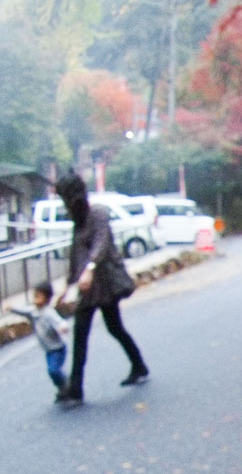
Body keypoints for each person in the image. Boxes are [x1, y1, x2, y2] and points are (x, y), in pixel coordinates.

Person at [55, 174, 148, 406]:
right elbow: (76, 254)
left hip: (104, 284)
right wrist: (67, 285)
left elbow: (101, 243)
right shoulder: (77, 220)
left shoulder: (98, 213)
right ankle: (76, 388)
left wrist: (91, 267)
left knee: (114, 328)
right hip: (88, 288)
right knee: (82, 334)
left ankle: (138, 365)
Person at [8, 282, 69, 401]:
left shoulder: (49, 313)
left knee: (53, 370)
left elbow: (59, 322)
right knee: (52, 371)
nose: (35, 299)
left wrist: (63, 327)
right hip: (48, 349)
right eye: (34, 296)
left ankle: (65, 385)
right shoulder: (33, 311)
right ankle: (62, 387)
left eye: (38, 296)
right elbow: (23, 311)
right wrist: (12, 308)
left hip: (57, 348)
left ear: (47, 298)